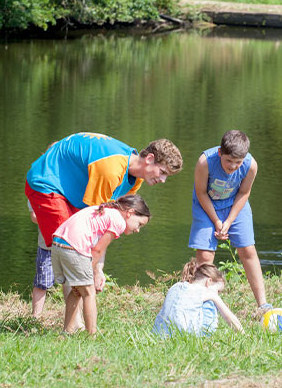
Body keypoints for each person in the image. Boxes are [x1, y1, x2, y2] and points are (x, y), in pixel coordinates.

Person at [24, 132, 181, 313]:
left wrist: (99, 268)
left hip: (72, 192)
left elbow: (106, 222)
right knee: (70, 249)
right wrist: (95, 269)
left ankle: (73, 320)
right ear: (150, 158)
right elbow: (92, 223)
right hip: (48, 183)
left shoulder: (135, 179)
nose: (163, 180)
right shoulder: (111, 170)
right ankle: (72, 322)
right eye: (162, 172)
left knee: (77, 254)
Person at [189, 130, 270, 312]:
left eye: (237, 162)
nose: (233, 166)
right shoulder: (205, 162)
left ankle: (263, 305)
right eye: (228, 161)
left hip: (235, 205)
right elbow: (201, 193)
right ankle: (202, 304)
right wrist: (217, 221)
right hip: (206, 205)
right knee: (205, 255)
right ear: (220, 153)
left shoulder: (250, 165)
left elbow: (244, 193)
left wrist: (229, 220)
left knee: (248, 249)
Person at [51, 195, 151, 335]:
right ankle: (92, 334)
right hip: (74, 247)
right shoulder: (119, 221)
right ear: (130, 212)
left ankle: (67, 331)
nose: (138, 230)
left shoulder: (105, 210)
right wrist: (91, 273)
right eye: (139, 224)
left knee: (77, 290)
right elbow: (98, 250)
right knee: (89, 292)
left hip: (58, 243)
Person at [153, 258, 243, 337]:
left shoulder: (176, 286)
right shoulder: (204, 291)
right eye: (218, 291)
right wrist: (242, 333)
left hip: (159, 333)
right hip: (184, 334)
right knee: (211, 302)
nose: (218, 294)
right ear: (209, 281)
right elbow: (229, 317)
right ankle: (205, 337)